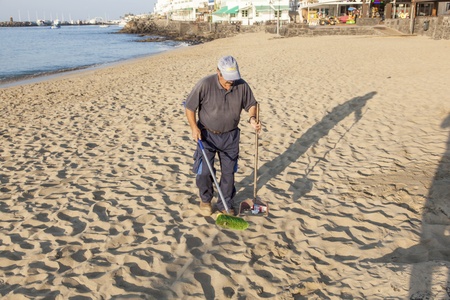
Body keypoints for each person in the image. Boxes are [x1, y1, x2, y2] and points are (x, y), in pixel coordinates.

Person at [185, 56, 261, 216]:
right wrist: (193, 128)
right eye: (227, 79)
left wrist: (252, 119)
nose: (230, 82)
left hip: (231, 137)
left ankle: (225, 204)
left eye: (233, 78)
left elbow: (251, 104)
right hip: (206, 134)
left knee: (228, 173)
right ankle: (205, 200)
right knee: (204, 171)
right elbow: (190, 108)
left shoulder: (241, 85)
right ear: (218, 72)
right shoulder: (204, 84)